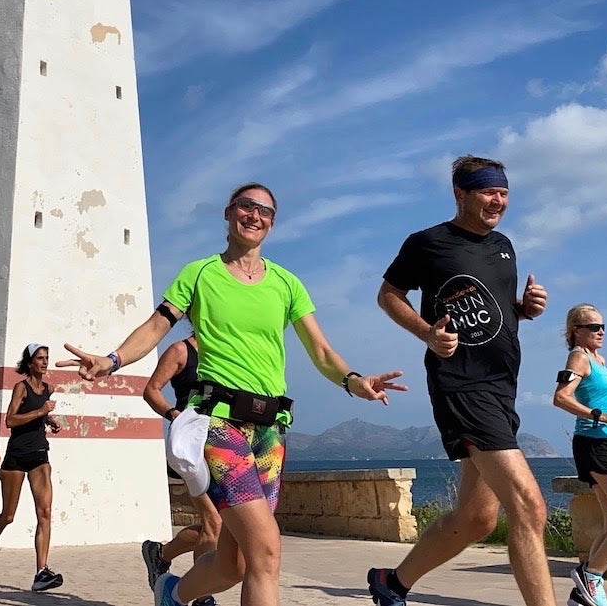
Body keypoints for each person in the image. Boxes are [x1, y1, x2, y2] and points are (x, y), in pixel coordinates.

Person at [58, 182, 405, 606]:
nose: (254, 215)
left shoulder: (286, 283)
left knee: (236, 563)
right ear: (228, 213)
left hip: (271, 432)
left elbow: (320, 349)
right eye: (246, 206)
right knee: (267, 553)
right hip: (220, 424)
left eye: (265, 211)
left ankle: (172, 592)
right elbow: (155, 327)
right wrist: (111, 360)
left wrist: (354, 381)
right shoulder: (200, 274)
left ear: (272, 223)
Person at [370, 155, 552, 606]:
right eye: (489, 192)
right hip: (462, 386)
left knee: (476, 519)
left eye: (504, 192)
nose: (499, 201)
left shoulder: (504, 245)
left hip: (502, 386)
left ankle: (392, 584)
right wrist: (426, 333)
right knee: (530, 507)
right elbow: (388, 294)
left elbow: (495, 304)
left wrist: (523, 308)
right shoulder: (428, 243)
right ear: (460, 194)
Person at [553, 304, 607, 606]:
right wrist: (601, 417)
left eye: (603, 327)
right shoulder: (578, 357)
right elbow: (561, 398)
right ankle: (591, 576)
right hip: (594, 445)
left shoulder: (599, 360)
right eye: (593, 326)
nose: (600, 331)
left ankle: (581, 593)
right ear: (577, 330)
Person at [140, 332, 221, 604]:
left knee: (221, 528)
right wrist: (173, 414)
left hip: (222, 446)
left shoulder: (224, 349)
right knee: (214, 523)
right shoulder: (181, 351)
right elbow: (151, 390)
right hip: (191, 449)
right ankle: (202, 596)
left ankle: (160, 554)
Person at [0, 343, 64, 592]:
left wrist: (49, 420)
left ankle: (41, 572)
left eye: (47, 357)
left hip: (39, 455)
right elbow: (10, 420)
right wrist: (40, 412)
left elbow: (38, 416)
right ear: (30, 362)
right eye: (40, 358)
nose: (45, 362)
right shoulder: (21, 387)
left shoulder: (48, 388)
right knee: (8, 515)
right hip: (16, 457)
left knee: (45, 512)